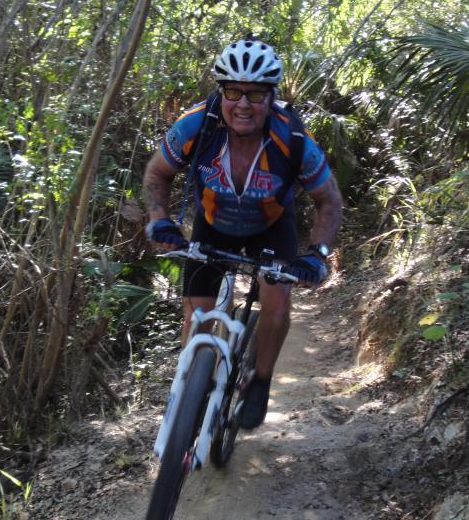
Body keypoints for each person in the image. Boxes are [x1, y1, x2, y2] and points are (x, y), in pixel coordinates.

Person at [142, 38, 343, 429]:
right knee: (197, 316)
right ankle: (188, 389)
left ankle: (260, 382)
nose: (243, 104)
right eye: (233, 92)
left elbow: (330, 201)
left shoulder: (294, 140)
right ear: (222, 92)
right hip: (213, 224)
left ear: (272, 97)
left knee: (277, 301)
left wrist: (317, 254)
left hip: (271, 227)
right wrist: (158, 218)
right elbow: (157, 174)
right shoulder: (196, 125)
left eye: (255, 94)